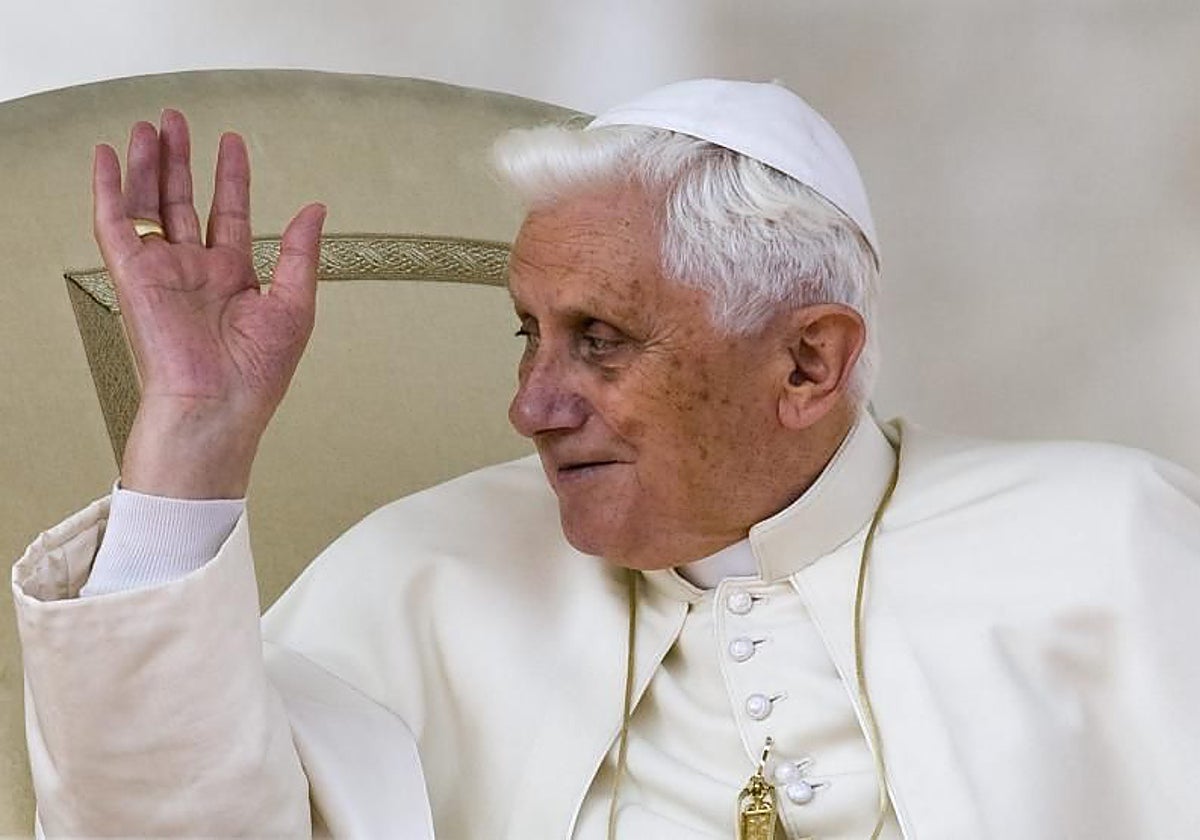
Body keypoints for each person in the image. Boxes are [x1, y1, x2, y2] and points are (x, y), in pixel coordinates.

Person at [11, 79, 1200, 840]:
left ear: (807, 366)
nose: (529, 404)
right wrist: (192, 431)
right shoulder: (427, 571)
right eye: (529, 332)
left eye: (601, 342)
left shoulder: (1117, 543)